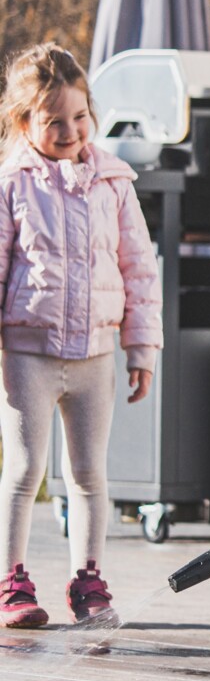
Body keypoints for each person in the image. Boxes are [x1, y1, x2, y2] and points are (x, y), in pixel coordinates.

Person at [0, 43, 162, 629]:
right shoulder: (12, 183)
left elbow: (138, 266)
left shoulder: (114, 180)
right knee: (24, 471)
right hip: (28, 352)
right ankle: (11, 582)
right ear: (25, 123)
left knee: (90, 473)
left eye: (79, 117)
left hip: (96, 352)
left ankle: (88, 579)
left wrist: (140, 348)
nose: (70, 131)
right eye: (53, 121)